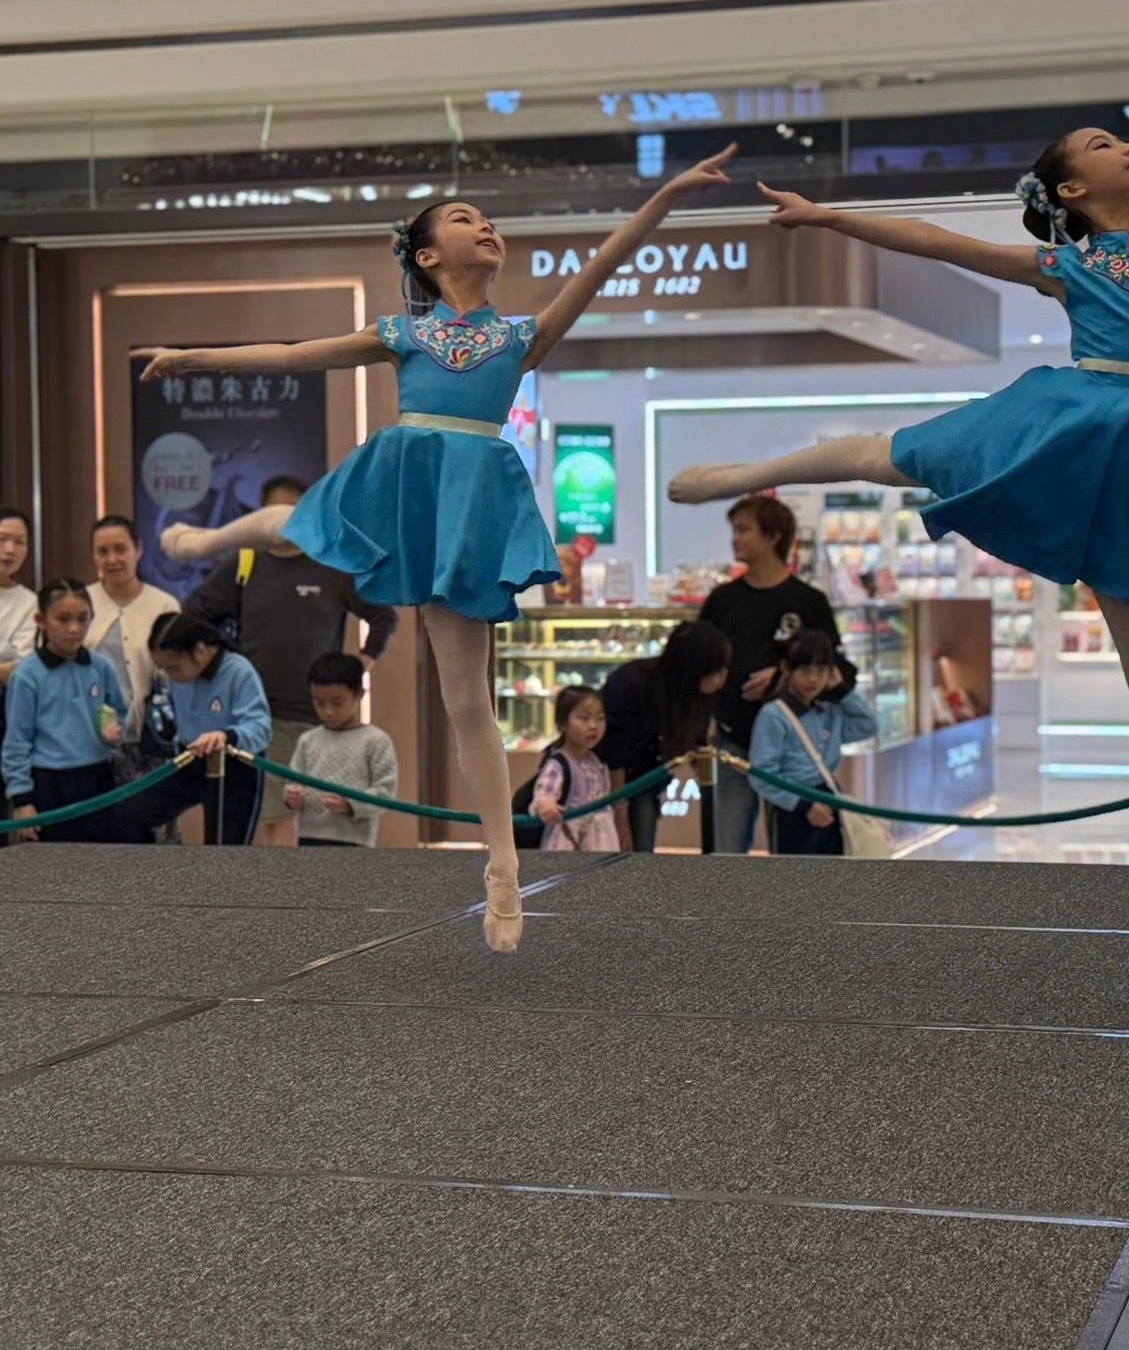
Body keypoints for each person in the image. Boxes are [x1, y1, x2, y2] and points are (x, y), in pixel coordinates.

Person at [670, 0, 1129, 960]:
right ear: (1069, 194)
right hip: (1079, 429)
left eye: (1123, 140)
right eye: (1101, 146)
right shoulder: (1068, 267)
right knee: (891, 454)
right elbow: (939, 241)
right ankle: (752, 474)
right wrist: (830, 217)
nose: (1126, 148)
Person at [140, 143, 737, 951]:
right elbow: (292, 356)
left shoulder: (521, 335)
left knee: (467, 699)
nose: (485, 226)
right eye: (464, 219)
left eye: (487, 220)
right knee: (292, 524)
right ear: (426, 256)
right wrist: (191, 358)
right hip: (407, 474)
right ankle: (206, 538)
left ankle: (502, 866)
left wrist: (664, 197)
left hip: (472, 497)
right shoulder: (403, 332)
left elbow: (603, 264)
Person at [182, 475, 399, 848]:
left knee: (327, 818)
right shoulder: (245, 563)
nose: (283, 521)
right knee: (275, 814)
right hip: (266, 715)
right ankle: (281, 884)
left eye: (293, 511)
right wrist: (225, 659)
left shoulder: (332, 565)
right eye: (274, 512)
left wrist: (361, 664)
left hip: (323, 718)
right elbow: (195, 614)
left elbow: (383, 616)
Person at [698, 495, 857, 855]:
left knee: (795, 858)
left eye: (744, 530)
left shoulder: (809, 602)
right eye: (734, 530)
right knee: (725, 853)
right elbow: (697, 666)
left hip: (794, 753)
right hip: (732, 744)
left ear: (773, 537)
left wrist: (785, 677)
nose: (735, 539)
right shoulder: (722, 601)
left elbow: (840, 671)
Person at [112, 613, 272, 845]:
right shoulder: (179, 678)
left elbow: (260, 727)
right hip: (191, 759)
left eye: (175, 668)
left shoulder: (238, 671)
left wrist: (226, 735)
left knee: (226, 847)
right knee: (129, 815)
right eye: (164, 670)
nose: (171, 676)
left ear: (200, 650)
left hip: (236, 766)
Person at [2, 578, 128, 843]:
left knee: (102, 858)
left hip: (98, 777)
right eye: (63, 619)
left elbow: (119, 711)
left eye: (83, 619)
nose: (74, 629)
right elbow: (16, 741)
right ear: (41, 620)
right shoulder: (27, 675)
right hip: (49, 783)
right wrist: (22, 799)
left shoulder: (101, 667)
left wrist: (115, 731)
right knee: (55, 864)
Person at [596, 619, 731, 852]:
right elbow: (612, 756)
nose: (723, 678)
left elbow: (698, 737)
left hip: (646, 778)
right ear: (693, 670)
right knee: (623, 851)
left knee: (640, 849)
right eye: (715, 671)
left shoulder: (694, 693)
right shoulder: (631, 686)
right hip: (601, 781)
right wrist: (619, 814)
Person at [85, 515, 182, 826]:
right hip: (89, 742)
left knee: (149, 828)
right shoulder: (82, 602)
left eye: (120, 549)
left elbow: (176, 675)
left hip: (148, 740)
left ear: (138, 549)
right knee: (97, 829)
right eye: (102, 551)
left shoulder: (164, 605)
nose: (112, 559)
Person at [747, 631, 879, 856]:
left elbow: (868, 725)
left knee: (833, 869)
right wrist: (803, 806)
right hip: (791, 805)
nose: (813, 679)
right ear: (786, 668)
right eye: (805, 670)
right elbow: (761, 774)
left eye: (821, 671)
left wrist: (841, 690)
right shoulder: (774, 715)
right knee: (796, 873)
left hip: (827, 796)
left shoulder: (829, 711)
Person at [285, 652, 399, 849]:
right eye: (320, 703)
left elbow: (385, 792)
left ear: (359, 695)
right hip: (309, 836)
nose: (328, 711)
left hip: (354, 840)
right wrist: (292, 797)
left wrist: (350, 804)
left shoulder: (375, 741)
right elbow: (293, 781)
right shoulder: (308, 740)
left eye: (338, 703)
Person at [530, 685, 620, 853]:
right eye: (584, 718)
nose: (593, 726)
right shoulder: (559, 763)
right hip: (568, 846)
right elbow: (543, 795)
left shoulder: (595, 761)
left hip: (600, 843)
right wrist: (546, 806)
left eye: (600, 718)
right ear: (563, 723)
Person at [0, 508, 39, 766]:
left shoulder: (29, 603)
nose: (10, 550)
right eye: (2, 539)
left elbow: (21, 671)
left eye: (19, 542)